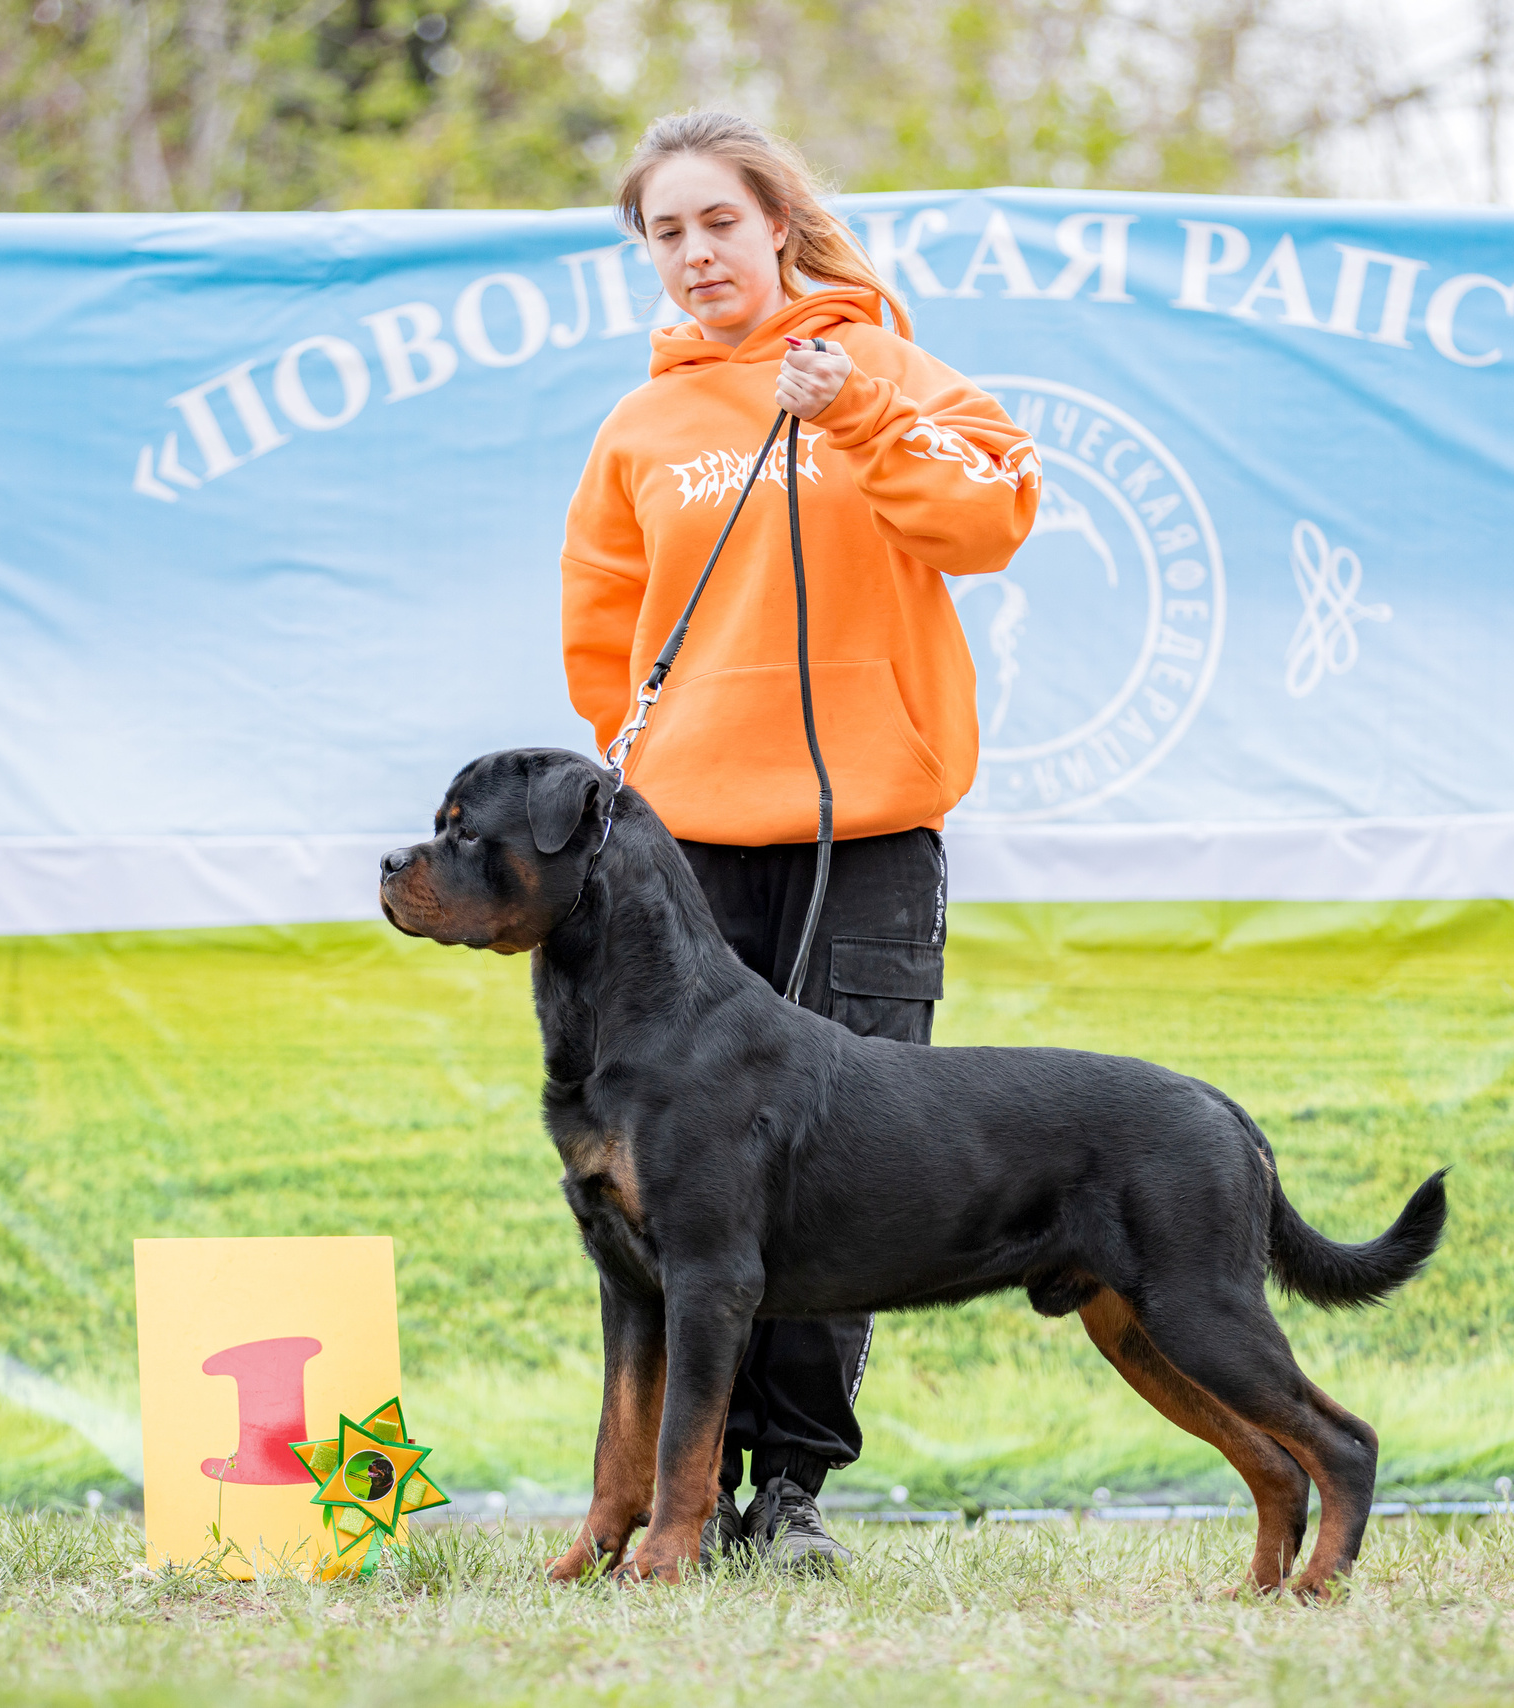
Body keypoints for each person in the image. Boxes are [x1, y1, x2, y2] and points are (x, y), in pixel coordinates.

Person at [558, 111, 1040, 1567]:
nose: (698, 254)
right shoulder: (640, 427)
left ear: (779, 224)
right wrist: (655, 775)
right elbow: (600, 638)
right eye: (667, 231)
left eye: (721, 222)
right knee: (683, 1183)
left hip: (868, 839)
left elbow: (993, 517)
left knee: (846, 1169)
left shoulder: (891, 372)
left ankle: (792, 1496)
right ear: (646, 251)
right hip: (683, 867)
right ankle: (661, 1499)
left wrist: (856, 414)